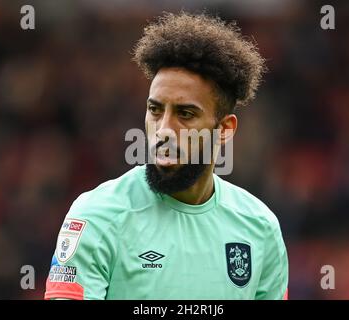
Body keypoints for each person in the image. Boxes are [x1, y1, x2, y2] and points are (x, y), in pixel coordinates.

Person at [44, 11, 288, 300]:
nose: (164, 130)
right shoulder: (97, 216)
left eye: (185, 114)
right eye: (155, 110)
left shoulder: (260, 227)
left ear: (224, 129)